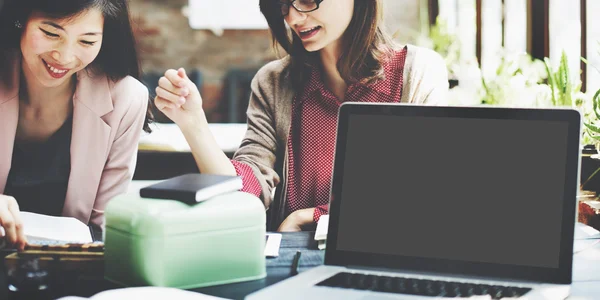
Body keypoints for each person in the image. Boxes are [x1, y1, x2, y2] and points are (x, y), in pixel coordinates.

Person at [154, 0, 448, 232]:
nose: (293, 18)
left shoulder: (416, 74)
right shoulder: (273, 83)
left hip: (379, 261)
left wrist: (314, 217)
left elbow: (421, 198)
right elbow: (244, 189)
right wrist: (193, 124)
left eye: (308, 0)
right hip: (290, 262)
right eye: (284, 4)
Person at [0, 0, 153, 249]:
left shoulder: (126, 97)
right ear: (21, 20)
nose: (65, 56)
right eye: (51, 33)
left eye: (87, 41)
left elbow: (104, 227)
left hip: (70, 268)